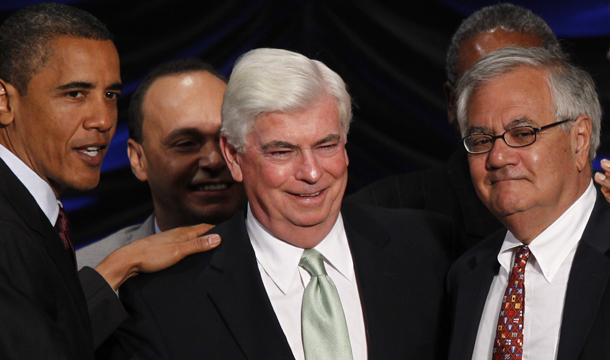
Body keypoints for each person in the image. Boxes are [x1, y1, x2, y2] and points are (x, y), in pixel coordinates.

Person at [109, 48, 454, 360]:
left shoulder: (431, 249)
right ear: (233, 156)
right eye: (282, 151)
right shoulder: (164, 301)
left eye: (326, 145)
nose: (312, 172)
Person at [0, 4, 219, 358]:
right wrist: (119, 267)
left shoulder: (30, 215)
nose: (103, 120)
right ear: (4, 101)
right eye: (75, 94)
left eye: (111, 95)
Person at [348, 3, 562, 254]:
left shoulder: (600, 212)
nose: (501, 103)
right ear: (452, 103)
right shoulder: (380, 216)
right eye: (480, 87)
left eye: (521, 85)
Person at [448, 47, 610, 359]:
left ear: (580, 140)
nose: (497, 157)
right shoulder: (465, 276)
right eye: (481, 141)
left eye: (522, 134)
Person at [77, 59, 245, 269]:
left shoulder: (293, 253)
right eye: (186, 144)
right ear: (138, 159)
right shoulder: (88, 275)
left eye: (227, 140)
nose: (214, 160)